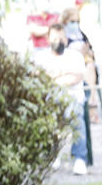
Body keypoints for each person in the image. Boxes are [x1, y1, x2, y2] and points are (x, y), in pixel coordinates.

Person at [38, 23, 89, 175]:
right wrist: (63, 76)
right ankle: (52, 155)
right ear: (48, 39)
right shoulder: (41, 57)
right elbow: (39, 78)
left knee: (76, 117)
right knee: (47, 117)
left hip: (72, 99)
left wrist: (53, 78)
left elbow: (76, 77)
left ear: (66, 40)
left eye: (61, 38)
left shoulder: (75, 56)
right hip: (49, 101)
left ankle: (80, 158)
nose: (58, 41)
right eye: (55, 38)